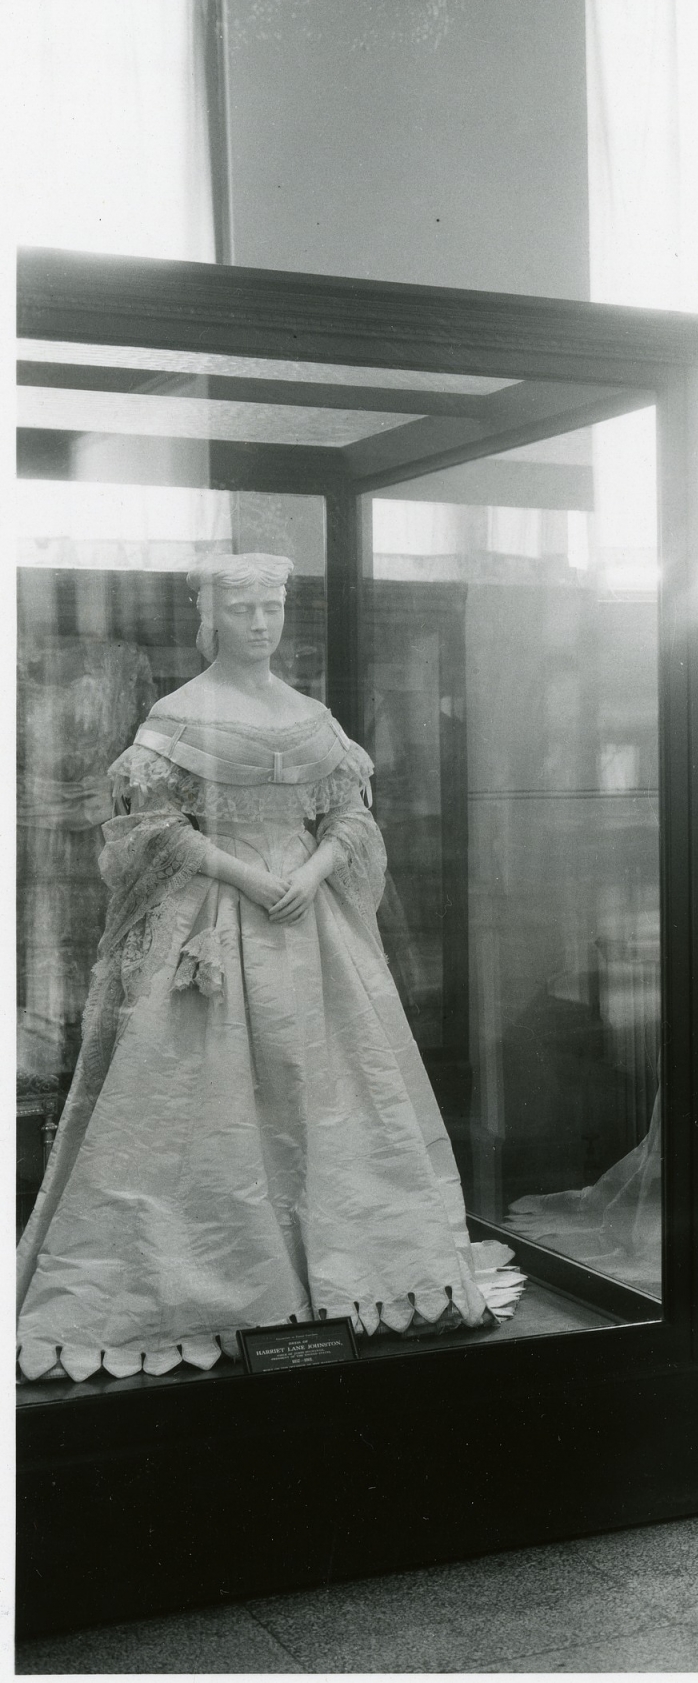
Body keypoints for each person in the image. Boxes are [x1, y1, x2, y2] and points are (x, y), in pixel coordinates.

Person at [18, 553, 521, 1383]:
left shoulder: (312, 716)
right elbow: (155, 827)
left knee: (332, 1094)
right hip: (215, 920)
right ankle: (230, 1289)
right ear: (212, 615)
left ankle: (352, 1278)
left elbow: (350, 817)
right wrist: (250, 875)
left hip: (309, 926)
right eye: (243, 608)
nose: (259, 623)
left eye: (270, 607)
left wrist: (312, 873)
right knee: (202, 1102)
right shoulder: (178, 715)